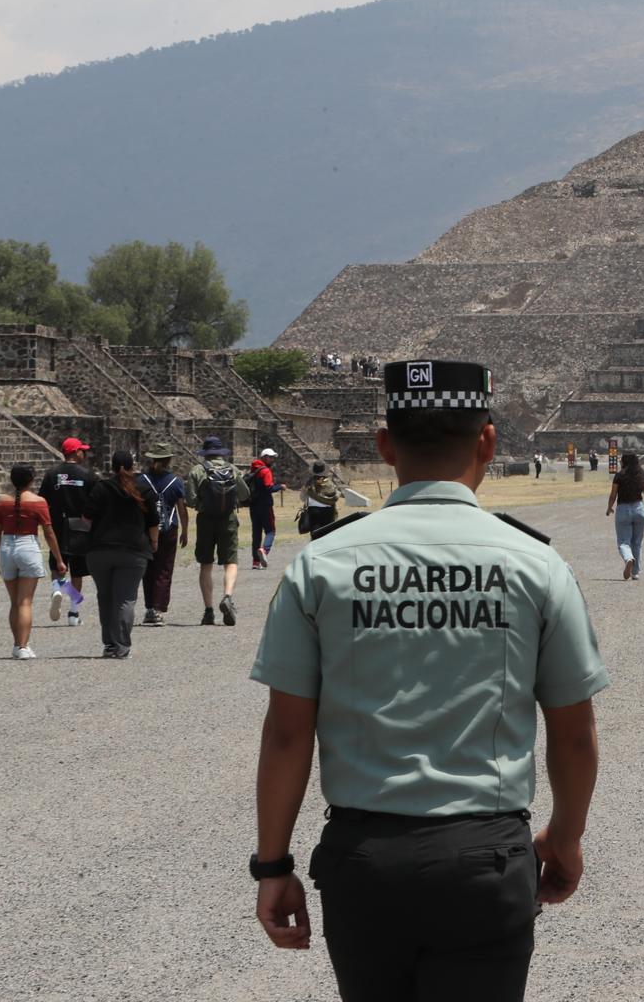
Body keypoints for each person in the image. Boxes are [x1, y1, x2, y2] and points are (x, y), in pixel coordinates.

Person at [248, 359, 608, 1001]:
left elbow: (285, 734)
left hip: (365, 861)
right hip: (485, 858)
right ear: (489, 444)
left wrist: (272, 864)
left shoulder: (324, 563)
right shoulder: (535, 564)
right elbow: (574, 734)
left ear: (385, 444)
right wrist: (567, 836)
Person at [84, 449, 159, 660]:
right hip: (133, 552)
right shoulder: (142, 489)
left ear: (113, 466)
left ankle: (109, 644)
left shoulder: (101, 488)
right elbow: (153, 522)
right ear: (131, 466)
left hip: (100, 551)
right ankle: (122, 645)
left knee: (105, 598)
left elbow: (86, 517)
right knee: (125, 599)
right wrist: (154, 543)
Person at [0, 464, 66, 659]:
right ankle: (23, 646)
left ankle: (17, 643)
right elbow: (49, 533)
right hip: (28, 546)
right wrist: (59, 559)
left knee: (14, 602)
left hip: (7, 547)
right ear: (31, 480)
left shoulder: (2, 502)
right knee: (25, 602)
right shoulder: (39, 502)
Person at [188, 436, 251, 627]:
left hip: (206, 520)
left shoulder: (197, 470)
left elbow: (190, 500)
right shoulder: (232, 469)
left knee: (206, 564)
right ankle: (228, 596)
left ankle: (208, 611)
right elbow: (245, 494)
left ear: (206, 453)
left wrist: (203, 504)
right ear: (221, 453)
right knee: (230, 561)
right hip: (228, 520)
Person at [43, 437, 94, 627]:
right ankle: (73, 612)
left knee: (58, 567)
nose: (84, 453)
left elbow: (42, 502)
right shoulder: (88, 475)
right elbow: (95, 502)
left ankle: (57, 588)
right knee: (78, 573)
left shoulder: (51, 474)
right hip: (81, 528)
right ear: (74, 452)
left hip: (57, 527)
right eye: (82, 450)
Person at [138, 442, 188, 625]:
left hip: (146, 530)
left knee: (148, 570)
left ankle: (149, 607)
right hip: (168, 530)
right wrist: (185, 530)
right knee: (164, 570)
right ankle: (158, 609)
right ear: (168, 461)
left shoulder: (142, 480)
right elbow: (182, 509)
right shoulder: (176, 482)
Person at [606, 452, 644, 581]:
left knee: (624, 541)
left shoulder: (619, 475)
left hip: (623, 509)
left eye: (621, 461)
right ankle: (635, 572)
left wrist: (609, 507)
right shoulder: (643, 475)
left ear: (625, 462)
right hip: (639, 509)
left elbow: (613, 495)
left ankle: (628, 558)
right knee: (637, 542)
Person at [248, 449, 282, 569]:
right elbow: (269, 487)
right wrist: (280, 487)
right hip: (265, 505)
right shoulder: (265, 471)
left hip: (253, 506)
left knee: (256, 533)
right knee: (270, 531)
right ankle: (264, 550)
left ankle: (255, 562)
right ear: (265, 457)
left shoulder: (253, 469)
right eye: (271, 457)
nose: (273, 460)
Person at [300, 461, 340, 536]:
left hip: (314, 511)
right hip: (329, 511)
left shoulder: (309, 483)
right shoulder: (330, 483)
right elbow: (335, 495)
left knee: (316, 535)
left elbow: (302, 498)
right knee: (328, 534)